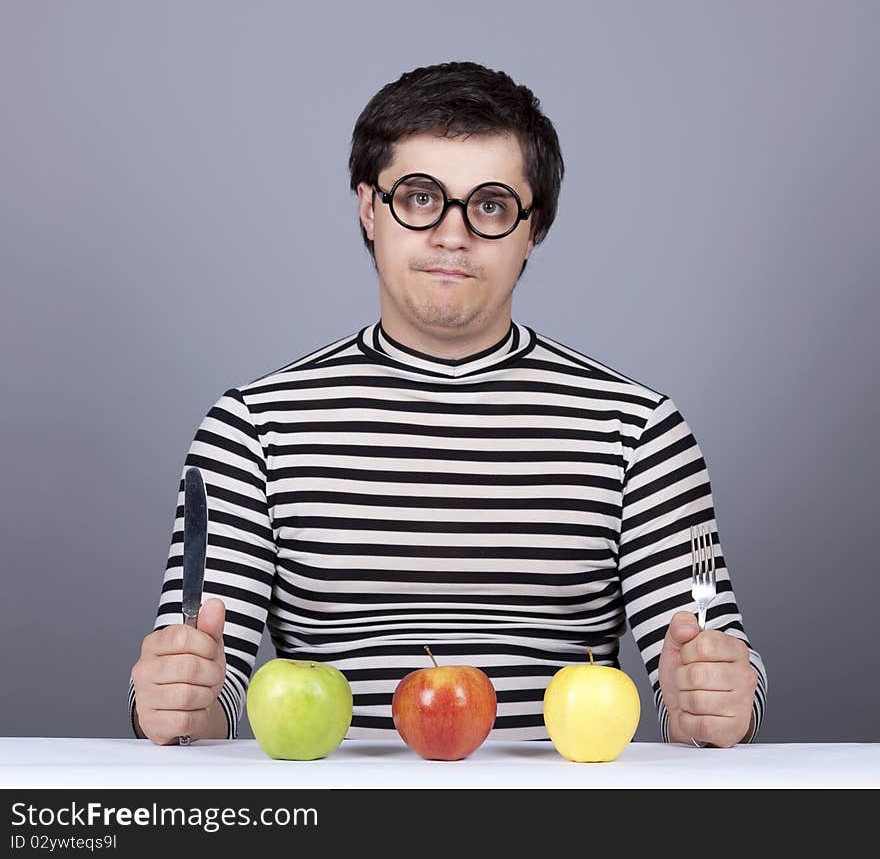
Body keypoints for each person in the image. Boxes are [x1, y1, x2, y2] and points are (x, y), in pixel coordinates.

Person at [129, 60, 767, 748]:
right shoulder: (251, 429)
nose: (451, 235)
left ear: (534, 228)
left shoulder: (638, 433)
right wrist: (174, 700)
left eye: (490, 204)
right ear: (369, 208)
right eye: (419, 197)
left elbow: (708, 667)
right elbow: (204, 688)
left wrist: (725, 697)